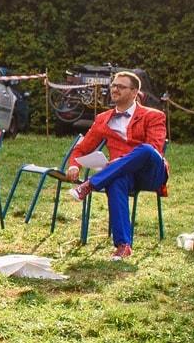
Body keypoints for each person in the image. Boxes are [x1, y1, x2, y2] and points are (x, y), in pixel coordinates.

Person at [65, 71, 169, 260]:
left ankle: (90, 184)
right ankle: (123, 245)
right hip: (123, 175)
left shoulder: (153, 116)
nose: (114, 89)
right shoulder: (103, 119)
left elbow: (155, 150)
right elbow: (81, 149)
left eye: (121, 86)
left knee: (145, 149)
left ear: (135, 91)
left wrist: (117, 163)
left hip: (150, 173)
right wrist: (74, 166)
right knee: (115, 180)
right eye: (113, 85)